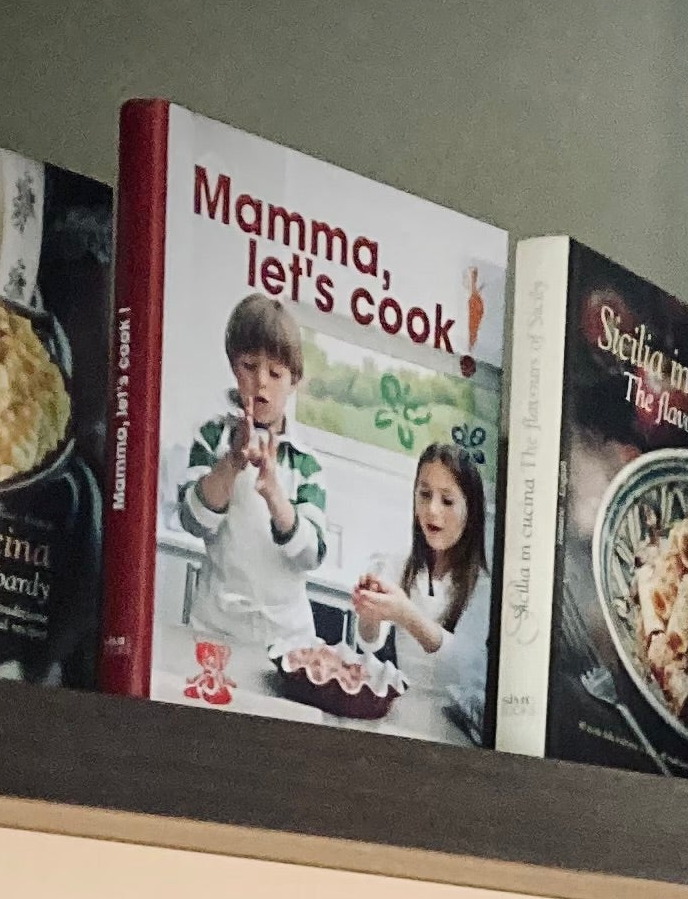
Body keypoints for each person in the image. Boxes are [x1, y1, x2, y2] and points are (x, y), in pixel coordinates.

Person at [180, 289, 326, 651]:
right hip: (215, 628)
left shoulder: (306, 462)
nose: (261, 382)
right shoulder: (212, 436)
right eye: (249, 367)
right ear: (233, 366)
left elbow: (311, 555)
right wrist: (231, 464)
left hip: (289, 640)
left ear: (294, 383)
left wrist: (275, 494)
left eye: (275, 373)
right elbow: (193, 521)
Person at [354, 439, 492, 740]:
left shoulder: (483, 587)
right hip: (399, 719)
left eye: (447, 500)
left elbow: (463, 663)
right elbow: (369, 644)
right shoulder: (398, 562)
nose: (432, 510)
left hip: (456, 733)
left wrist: (406, 614)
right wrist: (369, 612)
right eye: (424, 495)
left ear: (471, 512)